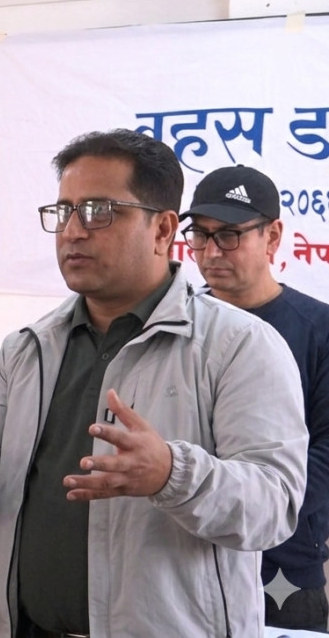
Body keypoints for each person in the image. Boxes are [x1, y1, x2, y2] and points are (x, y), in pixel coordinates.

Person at [0, 129, 308, 637]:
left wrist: (171, 474)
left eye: (99, 211)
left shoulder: (237, 345)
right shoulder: (28, 350)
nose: (73, 231)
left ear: (162, 229)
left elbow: (274, 506)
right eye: (64, 212)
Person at [180, 164, 329, 632]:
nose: (210, 252)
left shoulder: (318, 328)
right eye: (200, 235)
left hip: (282, 567)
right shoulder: (172, 324)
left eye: (229, 235)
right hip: (180, 562)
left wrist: (251, 507)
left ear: (273, 236)